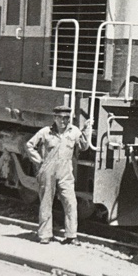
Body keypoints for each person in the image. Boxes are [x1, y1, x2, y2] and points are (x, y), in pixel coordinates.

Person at [25, 104, 92, 244]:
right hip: (48, 170)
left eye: (66, 118)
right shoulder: (45, 132)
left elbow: (84, 146)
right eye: (60, 117)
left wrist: (87, 129)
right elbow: (29, 145)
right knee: (46, 203)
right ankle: (44, 235)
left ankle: (71, 236)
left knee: (71, 203)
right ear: (54, 118)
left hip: (66, 171)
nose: (63, 121)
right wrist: (39, 161)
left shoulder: (74, 132)